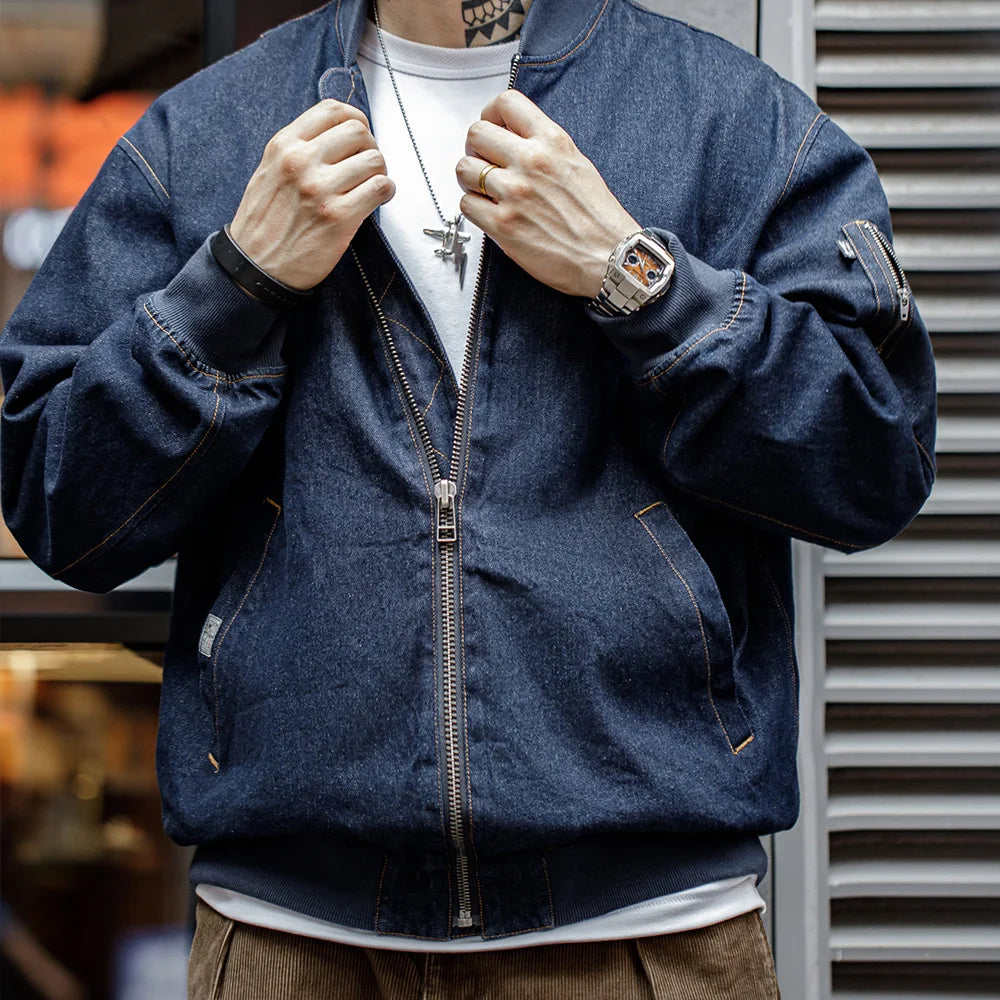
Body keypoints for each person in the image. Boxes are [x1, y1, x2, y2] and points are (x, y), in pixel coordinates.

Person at [0, 0, 937, 996]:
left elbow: (871, 465)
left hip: (648, 933)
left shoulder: (730, 119)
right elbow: (61, 505)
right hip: (287, 937)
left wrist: (637, 280)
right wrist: (233, 289)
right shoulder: (208, 132)